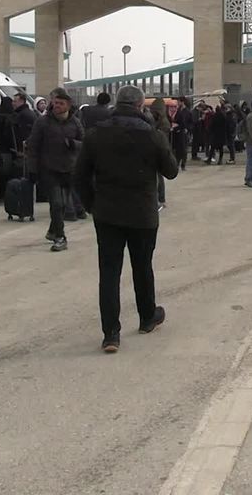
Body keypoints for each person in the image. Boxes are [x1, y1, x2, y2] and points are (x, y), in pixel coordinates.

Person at [74, 85, 179, 354]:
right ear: (141, 106)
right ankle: (147, 317)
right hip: (142, 213)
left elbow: (80, 175)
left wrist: (91, 204)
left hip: (107, 213)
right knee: (142, 266)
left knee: (109, 272)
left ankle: (111, 334)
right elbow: (171, 171)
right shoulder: (152, 135)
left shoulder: (96, 134)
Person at [27, 87, 84, 250]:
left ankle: (53, 230)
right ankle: (60, 237)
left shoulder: (75, 122)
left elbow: (84, 143)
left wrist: (73, 144)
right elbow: (33, 145)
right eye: (55, 102)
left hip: (69, 169)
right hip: (49, 169)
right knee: (57, 204)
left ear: (68, 105)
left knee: (64, 205)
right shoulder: (43, 122)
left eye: (61, 103)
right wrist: (32, 169)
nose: (57, 105)